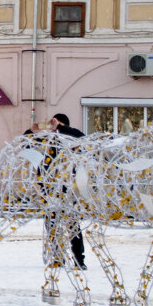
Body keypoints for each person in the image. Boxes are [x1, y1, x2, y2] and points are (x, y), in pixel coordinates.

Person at [44, 112, 86, 269]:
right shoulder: (50, 142)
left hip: (69, 189)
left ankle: (79, 260)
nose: (54, 128)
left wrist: (60, 129)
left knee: (73, 225)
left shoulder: (71, 138)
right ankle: (57, 257)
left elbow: (82, 137)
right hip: (51, 190)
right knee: (52, 224)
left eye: (57, 124)